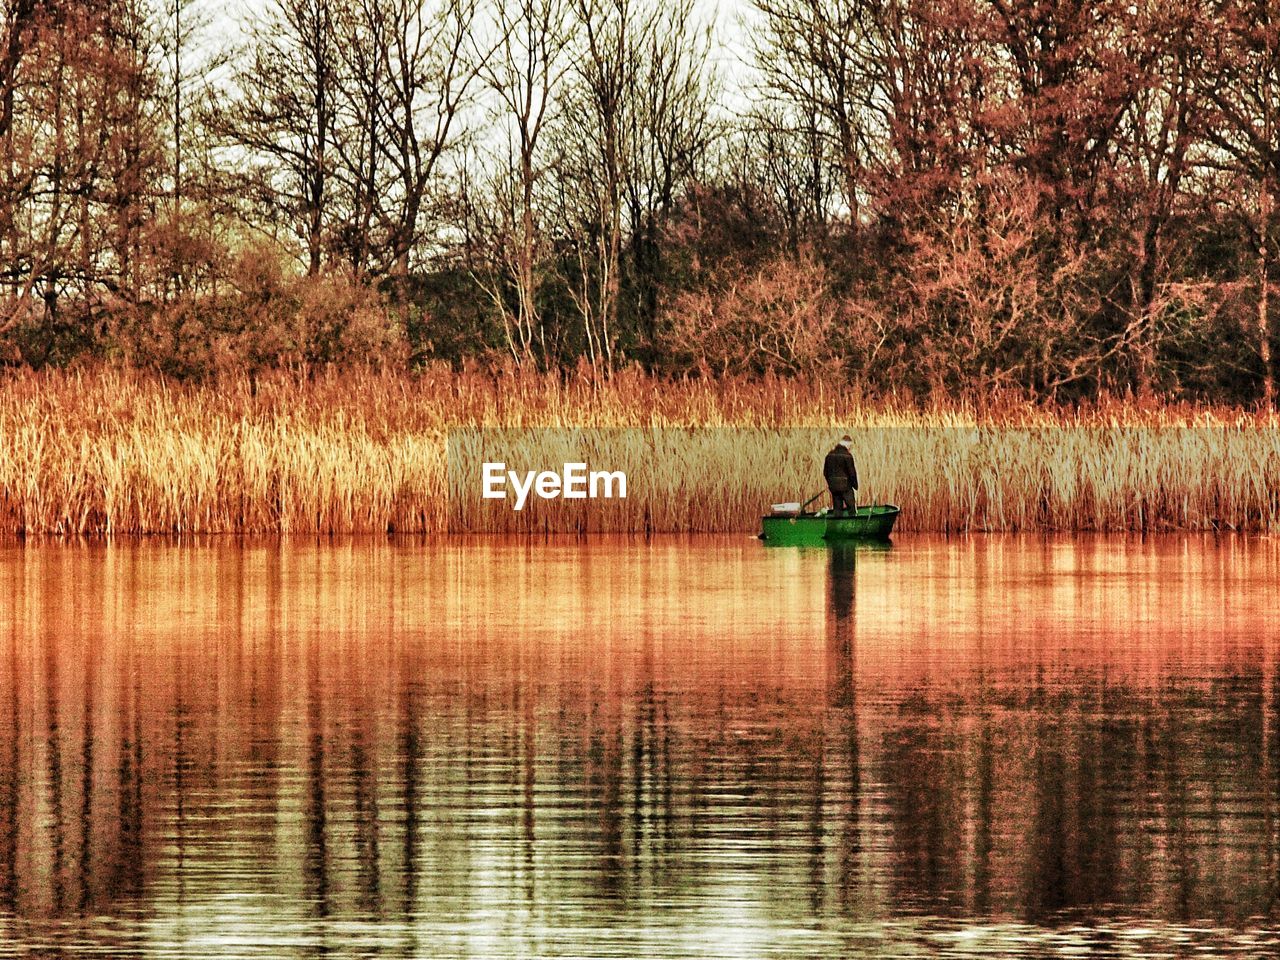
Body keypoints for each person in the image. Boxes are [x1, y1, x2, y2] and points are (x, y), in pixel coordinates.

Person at [823, 435, 858, 517]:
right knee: (851, 509)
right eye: (850, 446)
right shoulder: (847, 456)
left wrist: (830, 483)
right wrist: (855, 485)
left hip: (834, 488)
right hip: (846, 487)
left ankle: (838, 527)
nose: (850, 448)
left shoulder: (829, 455)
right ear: (847, 444)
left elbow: (825, 472)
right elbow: (852, 473)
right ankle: (853, 525)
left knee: (837, 510)